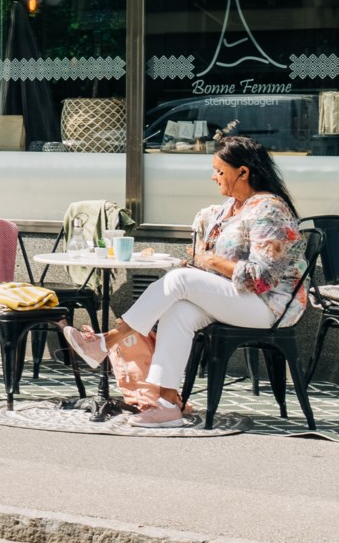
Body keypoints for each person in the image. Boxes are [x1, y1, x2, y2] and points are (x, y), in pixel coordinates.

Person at [64, 136, 305, 426]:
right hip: (237, 296)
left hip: (269, 306)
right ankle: (167, 405)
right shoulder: (232, 206)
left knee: (179, 281)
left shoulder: (270, 209)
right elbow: (211, 259)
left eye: (219, 170)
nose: (213, 176)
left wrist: (210, 262)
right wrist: (198, 262)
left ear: (243, 172)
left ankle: (107, 341)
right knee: (178, 311)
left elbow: (262, 278)